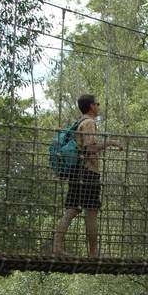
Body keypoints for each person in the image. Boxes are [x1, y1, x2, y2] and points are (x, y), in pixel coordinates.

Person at [53, 94, 122, 257]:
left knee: (71, 210)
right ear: (91, 106)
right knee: (91, 211)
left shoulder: (78, 123)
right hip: (88, 172)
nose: (99, 106)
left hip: (76, 171)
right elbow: (90, 148)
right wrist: (110, 143)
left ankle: (56, 247)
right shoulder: (89, 123)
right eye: (97, 104)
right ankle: (93, 252)